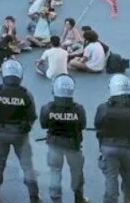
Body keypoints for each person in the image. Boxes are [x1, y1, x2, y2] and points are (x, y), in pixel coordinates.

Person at [0, 60, 39, 203]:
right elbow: (32, 116)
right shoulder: (26, 94)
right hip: (20, 133)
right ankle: (34, 196)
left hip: (0, 132)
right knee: (27, 165)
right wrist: (27, 127)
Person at [95, 74, 130, 203]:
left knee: (111, 179)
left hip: (109, 147)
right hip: (129, 148)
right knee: (128, 179)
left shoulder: (104, 108)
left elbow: (97, 124)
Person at [40, 74, 87, 203]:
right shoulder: (78, 109)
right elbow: (82, 125)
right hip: (73, 145)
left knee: (55, 172)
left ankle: (56, 199)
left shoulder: (48, 108)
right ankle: (79, 197)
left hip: (54, 144)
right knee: (77, 172)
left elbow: (43, 125)